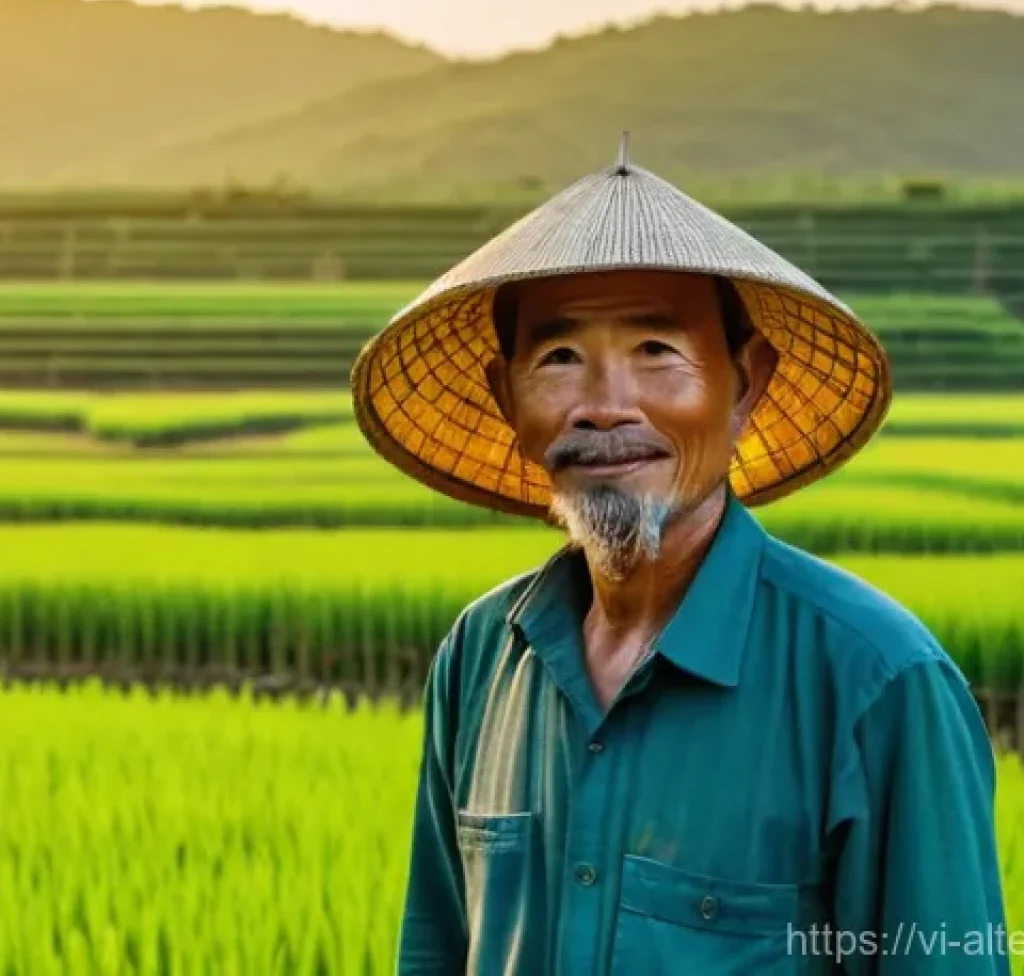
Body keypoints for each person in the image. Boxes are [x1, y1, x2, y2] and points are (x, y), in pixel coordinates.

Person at [351, 137, 1009, 975]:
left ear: (748, 384)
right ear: (505, 398)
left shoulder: (877, 683)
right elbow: (437, 949)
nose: (604, 406)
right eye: (558, 358)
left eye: (657, 352)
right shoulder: (482, 659)